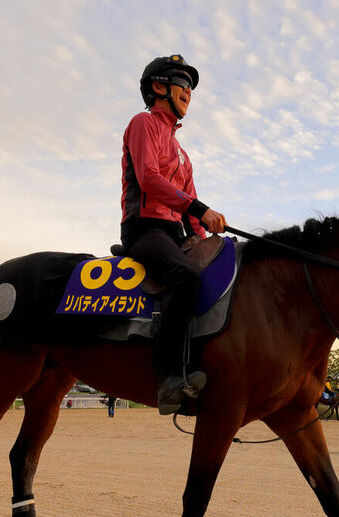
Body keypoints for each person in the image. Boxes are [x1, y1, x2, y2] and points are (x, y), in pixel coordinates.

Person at [120, 54, 228, 415]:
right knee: (184, 276)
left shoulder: (183, 153)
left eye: (191, 88)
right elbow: (149, 177)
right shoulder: (143, 124)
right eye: (183, 84)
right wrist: (200, 211)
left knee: (218, 272)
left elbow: (192, 205)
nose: (189, 93)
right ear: (159, 87)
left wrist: (204, 236)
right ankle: (168, 377)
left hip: (174, 232)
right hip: (144, 228)